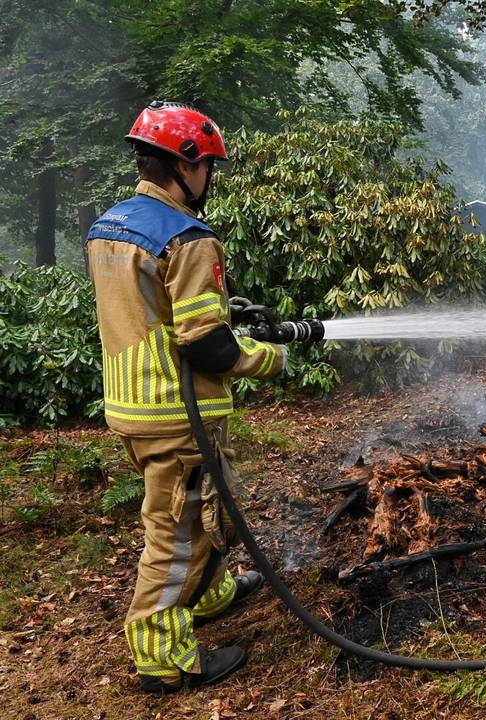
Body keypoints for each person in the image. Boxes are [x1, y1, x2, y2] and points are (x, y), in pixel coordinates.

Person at [84, 101, 288, 694]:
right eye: (208, 168)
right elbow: (205, 343)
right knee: (172, 533)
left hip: (130, 405)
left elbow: (157, 312)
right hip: (176, 413)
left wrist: (226, 308)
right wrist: (265, 358)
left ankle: (210, 593)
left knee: (196, 510)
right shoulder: (190, 238)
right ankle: (162, 658)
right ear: (186, 164)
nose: (211, 180)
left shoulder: (110, 225)